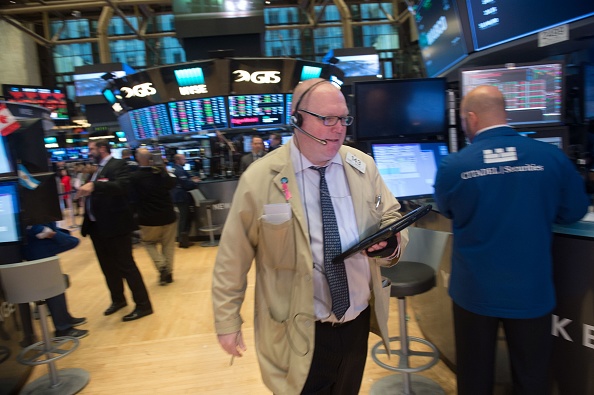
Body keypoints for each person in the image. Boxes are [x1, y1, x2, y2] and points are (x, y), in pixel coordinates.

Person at [212, 78, 409, 394]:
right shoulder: (260, 179)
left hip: (356, 323)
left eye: (343, 118)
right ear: (296, 120)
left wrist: (391, 242)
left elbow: (391, 217)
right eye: (327, 119)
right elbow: (231, 259)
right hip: (297, 330)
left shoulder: (362, 167)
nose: (339, 128)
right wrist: (227, 321)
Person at [434, 85, 590, 395]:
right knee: (532, 379)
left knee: (474, 378)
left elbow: (446, 209)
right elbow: (575, 209)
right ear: (505, 114)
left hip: (473, 293)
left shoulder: (454, 166)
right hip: (530, 292)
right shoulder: (550, 157)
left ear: (471, 118)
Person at [76, 139, 153, 322]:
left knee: (127, 267)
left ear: (102, 148)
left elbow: (121, 187)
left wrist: (95, 186)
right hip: (98, 228)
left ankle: (143, 305)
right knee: (108, 268)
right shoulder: (96, 169)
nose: (89, 152)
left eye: (92, 149)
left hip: (116, 226)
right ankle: (118, 300)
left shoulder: (118, 164)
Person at [20, 222, 89, 340]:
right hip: (38, 250)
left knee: (57, 288)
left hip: (42, 243)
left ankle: (65, 319)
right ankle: (63, 328)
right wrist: (46, 231)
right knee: (53, 291)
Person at [130, 148, 177, 286]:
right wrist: (163, 169)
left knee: (149, 243)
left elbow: (132, 199)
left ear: (138, 158)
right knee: (168, 246)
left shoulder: (134, 177)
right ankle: (168, 274)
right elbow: (172, 184)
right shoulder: (161, 174)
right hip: (168, 215)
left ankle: (162, 266)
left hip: (148, 219)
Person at [171, 154, 200, 248]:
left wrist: (191, 179)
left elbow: (187, 179)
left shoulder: (176, 169)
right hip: (181, 197)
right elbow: (186, 185)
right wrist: (194, 182)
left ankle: (183, 240)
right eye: (184, 159)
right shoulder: (179, 170)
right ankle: (182, 241)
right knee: (185, 218)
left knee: (185, 217)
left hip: (179, 197)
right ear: (177, 160)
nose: (185, 161)